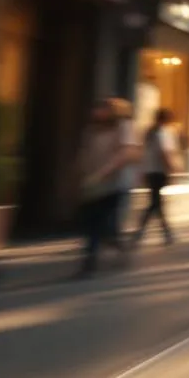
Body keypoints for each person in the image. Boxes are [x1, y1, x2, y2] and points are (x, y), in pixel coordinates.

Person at [76, 98, 139, 277]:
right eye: (97, 108)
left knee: (105, 222)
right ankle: (90, 260)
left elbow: (126, 153)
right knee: (92, 223)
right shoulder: (92, 130)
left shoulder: (124, 127)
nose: (97, 112)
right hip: (93, 184)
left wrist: (105, 172)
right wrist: (82, 173)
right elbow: (85, 153)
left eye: (102, 109)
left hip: (115, 184)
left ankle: (110, 247)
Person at [134, 108, 179, 247]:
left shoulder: (149, 133)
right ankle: (162, 233)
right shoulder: (163, 133)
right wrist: (172, 168)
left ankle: (163, 233)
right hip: (159, 171)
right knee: (156, 203)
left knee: (156, 203)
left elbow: (144, 153)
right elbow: (165, 153)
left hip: (150, 171)